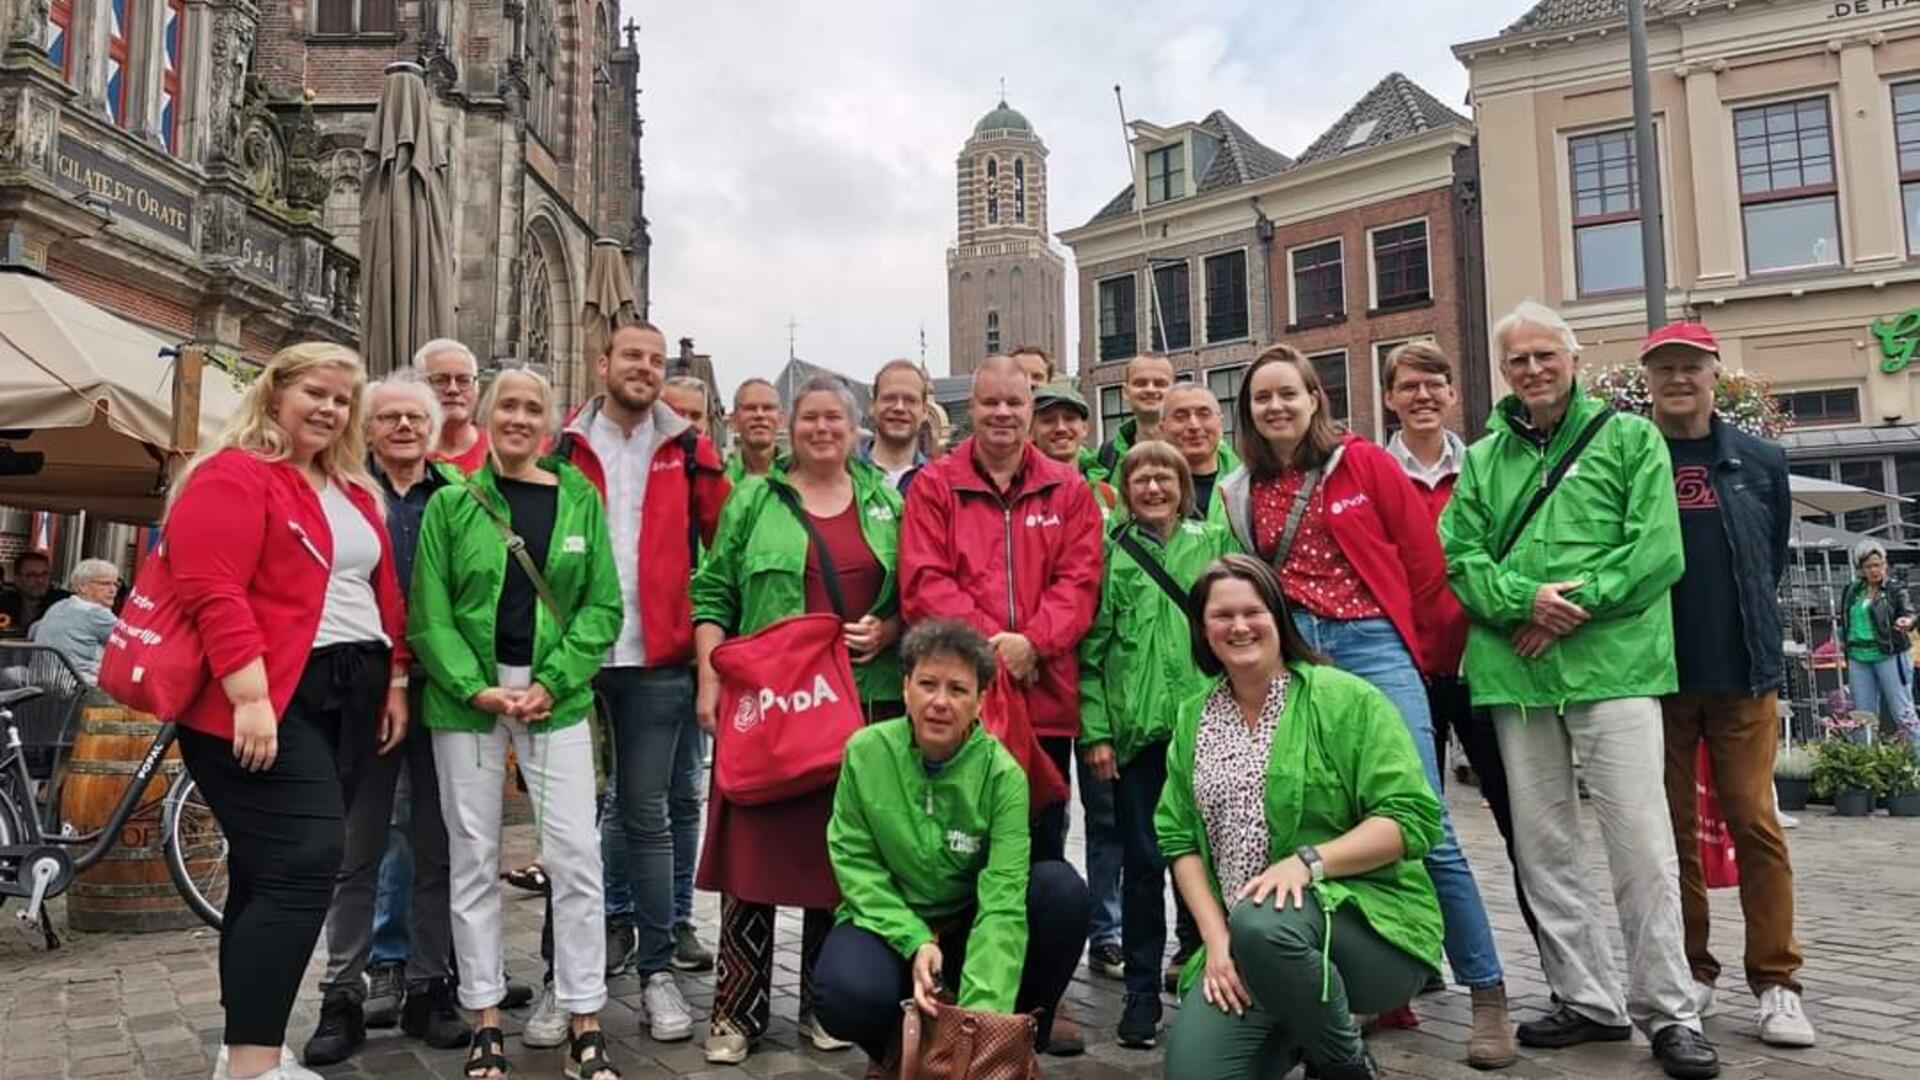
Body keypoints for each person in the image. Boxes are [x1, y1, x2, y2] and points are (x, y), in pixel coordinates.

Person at [1440, 301, 1719, 1079]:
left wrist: (1568, 606)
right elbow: (1460, 558)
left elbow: (1657, 549)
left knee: (1643, 847)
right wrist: (1523, 603)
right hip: (1519, 673)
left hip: (1616, 668)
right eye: (1516, 360)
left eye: (1543, 355)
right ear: (1504, 372)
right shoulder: (1487, 459)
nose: (1531, 369)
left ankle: (1670, 1009)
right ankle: (1587, 998)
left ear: (1573, 356)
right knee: (1544, 847)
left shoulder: (1630, 439)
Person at [1220, 344, 1514, 1068]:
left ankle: (1488, 993)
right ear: (1250, 412)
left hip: (1372, 645)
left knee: (1423, 822)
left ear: (1315, 397)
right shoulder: (1238, 490)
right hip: (1299, 659)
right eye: (1263, 398)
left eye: (1289, 393)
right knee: (1329, 818)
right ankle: (1380, 983)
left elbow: (1422, 566)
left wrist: (1413, 653)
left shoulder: (1364, 464)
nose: (1277, 407)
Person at [165, 342, 409, 1080]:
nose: (330, 409)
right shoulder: (236, 473)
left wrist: (393, 678)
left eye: (343, 400)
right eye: (317, 393)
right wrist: (249, 698)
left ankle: (243, 1053)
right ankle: (254, 1065)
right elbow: (212, 587)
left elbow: (378, 591)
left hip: (349, 692)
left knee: (265, 872)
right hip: (270, 695)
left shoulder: (354, 488)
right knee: (305, 865)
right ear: (275, 392)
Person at [408, 367, 625, 1080]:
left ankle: (584, 1015)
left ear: (550, 422)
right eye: (509, 405)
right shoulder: (452, 502)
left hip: (553, 697)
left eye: (534, 408)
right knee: (473, 858)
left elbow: (601, 608)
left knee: (575, 857)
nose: (520, 418)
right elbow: (429, 613)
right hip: (465, 703)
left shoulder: (578, 498)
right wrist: (475, 690)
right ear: (489, 415)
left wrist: (552, 680)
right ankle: (486, 1018)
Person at [1157, 555, 1444, 1080]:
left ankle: (1342, 1063)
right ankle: (1305, 1022)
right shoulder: (1193, 714)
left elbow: (1411, 819)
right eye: (1222, 616)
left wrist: (1308, 862)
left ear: (1278, 617)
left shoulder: (1344, 698)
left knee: (1263, 921)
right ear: (1202, 628)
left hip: (1367, 932)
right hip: (1246, 944)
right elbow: (1180, 841)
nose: (1239, 626)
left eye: (1253, 611)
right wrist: (1216, 944)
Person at [689, 375, 905, 1065]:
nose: (821, 430)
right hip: (768, 709)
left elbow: (914, 592)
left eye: (833, 419)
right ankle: (737, 1010)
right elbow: (712, 590)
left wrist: (891, 627)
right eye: (809, 418)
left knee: (835, 863)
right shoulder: (754, 499)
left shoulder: (883, 503)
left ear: (854, 427)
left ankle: (824, 1002)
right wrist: (708, 678)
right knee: (752, 859)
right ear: (790, 427)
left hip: (855, 708)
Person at [810, 620, 1092, 1070]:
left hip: (966, 925)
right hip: (889, 924)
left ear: (980, 701)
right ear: (905, 689)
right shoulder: (865, 752)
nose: (940, 702)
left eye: (958, 690)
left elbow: (1002, 902)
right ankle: (896, 1054)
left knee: (1060, 893)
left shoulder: (1003, 776)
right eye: (927, 684)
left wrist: (977, 1028)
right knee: (844, 992)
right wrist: (914, 938)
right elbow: (854, 863)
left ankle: (1001, 1048)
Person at [1642, 322, 1815, 1049]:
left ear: (1715, 374)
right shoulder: (1631, 454)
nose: (1678, 379)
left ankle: (1776, 981)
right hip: (1656, 677)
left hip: (1743, 674)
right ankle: (1692, 971)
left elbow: (1766, 559)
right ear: (1649, 380)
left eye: (1691, 367)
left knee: (1755, 824)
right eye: (1664, 369)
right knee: (1672, 834)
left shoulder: (1758, 460)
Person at [557, 321, 729, 1043]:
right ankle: (569, 973)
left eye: (657, 360)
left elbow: (723, 554)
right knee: (565, 827)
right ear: (603, 364)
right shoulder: (561, 447)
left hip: (657, 659)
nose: (646, 368)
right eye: (633, 355)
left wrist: (709, 654)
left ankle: (656, 969)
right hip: (571, 658)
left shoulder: (689, 449)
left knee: (647, 816)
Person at [302, 374, 465, 1066]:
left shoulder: (462, 498)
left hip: (447, 688)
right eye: (388, 417)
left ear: (433, 430)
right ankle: (342, 992)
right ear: (365, 430)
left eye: (414, 417)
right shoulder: (343, 493)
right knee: (356, 847)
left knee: (437, 845)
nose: (403, 427)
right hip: (365, 688)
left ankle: (430, 986)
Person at [899, 355, 1103, 864]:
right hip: (964, 697)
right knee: (960, 846)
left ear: (1030, 409)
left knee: (1040, 849)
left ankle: (1038, 946)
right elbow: (925, 581)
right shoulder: (935, 485)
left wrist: (1033, 643)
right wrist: (994, 651)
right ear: (972, 407)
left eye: (1014, 402)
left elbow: (1080, 582)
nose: (1002, 413)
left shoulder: (1069, 489)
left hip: (1044, 699)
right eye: (990, 402)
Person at [1078, 442, 1233, 1049]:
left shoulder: (1216, 543)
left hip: (1208, 729)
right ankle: (1141, 991)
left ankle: (1205, 981)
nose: (1153, 488)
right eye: (1140, 478)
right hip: (1139, 738)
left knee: (1214, 863)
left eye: (1163, 477)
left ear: (1181, 484)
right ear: (1124, 487)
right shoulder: (1109, 556)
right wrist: (1095, 731)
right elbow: (1091, 652)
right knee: (1144, 866)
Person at [1380, 341, 1537, 942]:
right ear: (1391, 397)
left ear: (1451, 393)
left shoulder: (1487, 470)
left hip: (1484, 669)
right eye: (1408, 386)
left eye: (1434, 384)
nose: (1422, 396)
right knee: (1408, 823)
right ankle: (1413, 955)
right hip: (1405, 669)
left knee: (1520, 821)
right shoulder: (1373, 475)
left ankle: (1560, 970)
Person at [1024, 382, 1124, 1005]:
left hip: (1093, 681)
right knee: (1045, 820)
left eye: (1071, 420)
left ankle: (1106, 931)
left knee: (1107, 819)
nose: (1061, 428)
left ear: (1085, 431)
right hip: (1045, 679)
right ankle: (1051, 940)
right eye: (1050, 419)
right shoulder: (1025, 491)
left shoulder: (1105, 492)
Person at [1840, 539, 1916, 743]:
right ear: (1860, 569)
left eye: (1878, 564)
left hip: (1889, 654)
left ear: (1885, 564)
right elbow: (1845, 621)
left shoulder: (1895, 589)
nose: (1874, 570)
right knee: (1862, 716)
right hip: (1858, 657)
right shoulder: (1851, 591)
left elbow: (1909, 612)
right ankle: (1865, 765)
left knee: (1903, 712)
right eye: (1869, 566)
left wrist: (1907, 620)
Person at [1032, 383, 1118, 520]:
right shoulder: (1018, 499)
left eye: (1069, 418)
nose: (1061, 428)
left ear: (1085, 428)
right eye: (1048, 420)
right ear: (1032, 431)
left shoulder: (1109, 497)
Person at [1158, 384, 1240, 524]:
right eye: (1180, 416)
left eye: (1204, 414)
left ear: (1220, 423)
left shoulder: (1247, 484)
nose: (1194, 425)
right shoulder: (1147, 490)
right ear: (1162, 429)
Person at [27, 559, 120, 681]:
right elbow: (135, 645)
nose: (113, 590)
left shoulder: (59, 606)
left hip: (42, 685)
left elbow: (33, 631)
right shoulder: (96, 614)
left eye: (116, 584)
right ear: (83, 587)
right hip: (81, 689)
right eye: (105, 584)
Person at [1090, 353, 1175, 482]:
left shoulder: (1199, 450)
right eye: (1140, 383)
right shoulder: (1104, 459)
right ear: (1125, 392)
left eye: (1160, 384)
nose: (1150, 389)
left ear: (1174, 391)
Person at [415, 340, 489, 474]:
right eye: (440, 380)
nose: (453, 389)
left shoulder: (500, 452)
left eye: (463, 380)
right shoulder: (403, 454)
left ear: (478, 389)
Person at [861, 359, 931, 491]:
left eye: (910, 400)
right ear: (872, 406)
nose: (899, 408)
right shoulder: (845, 474)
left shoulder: (937, 483)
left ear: (925, 412)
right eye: (889, 398)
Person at [0, 550, 71, 638]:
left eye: (44, 574)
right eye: (32, 575)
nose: (40, 580)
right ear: (17, 579)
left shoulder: (64, 603)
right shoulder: (3, 603)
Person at [726, 378, 783, 481]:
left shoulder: (800, 476)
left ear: (781, 419)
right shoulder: (719, 480)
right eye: (750, 408)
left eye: (768, 408)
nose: (759, 415)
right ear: (734, 420)